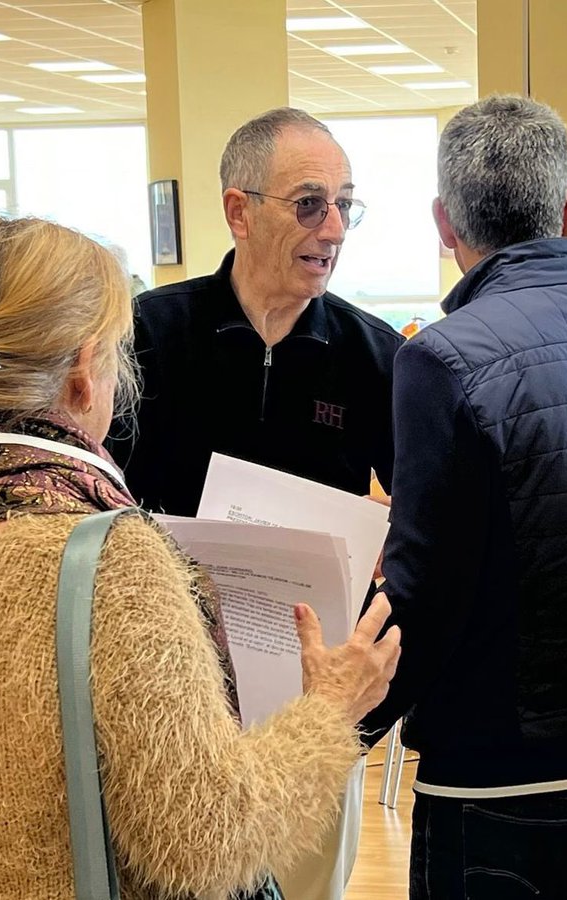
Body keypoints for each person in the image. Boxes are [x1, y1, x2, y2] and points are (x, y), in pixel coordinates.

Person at [0, 214, 402, 900]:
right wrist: (332, 708)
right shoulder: (107, 562)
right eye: (116, 352)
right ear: (85, 373)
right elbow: (207, 840)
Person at [358, 95, 567, 899]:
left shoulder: (441, 359)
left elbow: (424, 586)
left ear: (445, 224)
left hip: (500, 771)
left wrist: (345, 716)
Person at [108, 107, 403, 900]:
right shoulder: (146, 336)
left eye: (346, 202)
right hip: (172, 687)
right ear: (239, 210)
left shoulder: (376, 356)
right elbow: (98, 500)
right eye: (310, 203)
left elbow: (420, 521)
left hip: (310, 691)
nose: (334, 226)